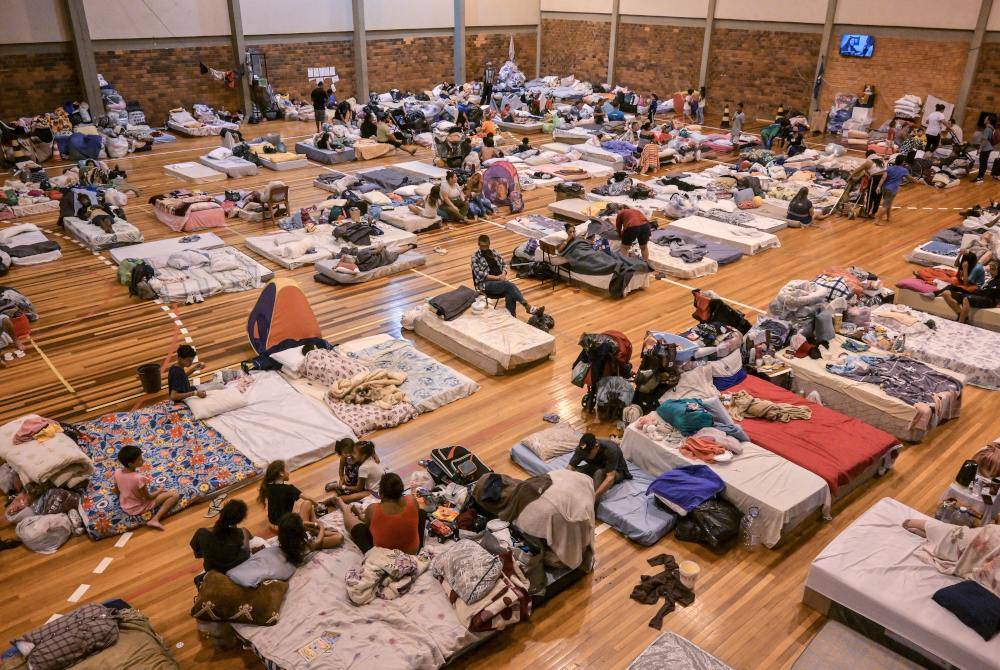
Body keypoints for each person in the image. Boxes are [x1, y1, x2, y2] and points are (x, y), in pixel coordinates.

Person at [333, 473, 426, 554]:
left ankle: (344, 508)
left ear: (380, 494)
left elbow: (366, 525)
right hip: (413, 553)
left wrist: (357, 513)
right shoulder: (412, 499)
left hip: (385, 559)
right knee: (421, 513)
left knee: (359, 528)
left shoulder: (373, 509)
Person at [114, 445, 180, 531]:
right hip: (138, 507)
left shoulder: (117, 472)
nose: (143, 460)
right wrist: (159, 491)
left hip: (124, 504)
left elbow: (117, 490)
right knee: (174, 495)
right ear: (130, 464)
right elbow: (149, 497)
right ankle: (155, 519)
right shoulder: (139, 478)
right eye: (139, 460)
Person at [257, 460, 334, 532]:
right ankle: (316, 526)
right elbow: (307, 498)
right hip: (286, 526)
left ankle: (314, 523)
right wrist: (318, 505)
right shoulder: (289, 489)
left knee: (299, 511)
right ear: (281, 473)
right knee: (307, 503)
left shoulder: (267, 487)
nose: (289, 472)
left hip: (273, 524)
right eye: (287, 470)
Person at [471, 234, 535, 317]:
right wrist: (498, 278)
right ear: (478, 245)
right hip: (484, 284)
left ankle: (511, 316)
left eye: (486, 246)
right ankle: (526, 305)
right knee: (509, 286)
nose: (484, 248)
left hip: (500, 282)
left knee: (509, 291)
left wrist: (503, 274)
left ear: (489, 244)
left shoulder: (494, 252)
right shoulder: (475, 257)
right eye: (482, 246)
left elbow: (504, 264)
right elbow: (480, 275)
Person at [190, 499, 252, 584]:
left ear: (221, 512)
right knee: (246, 532)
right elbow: (246, 551)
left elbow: (197, 555)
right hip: (238, 566)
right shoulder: (240, 533)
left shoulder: (201, 534)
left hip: (213, 571)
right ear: (239, 520)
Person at [567, 433, 630, 502]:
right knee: (575, 473)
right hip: (597, 466)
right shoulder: (581, 449)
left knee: (599, 474)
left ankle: (593, 508)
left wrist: (593, 497)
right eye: (584, 454)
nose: (585, 456)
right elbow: (569, 468)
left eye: (588, 454)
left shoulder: (610, 449)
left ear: (596, 447)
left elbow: (610, 478)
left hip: (617, 471)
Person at [942, 259, 1000, 323]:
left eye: (993, 270)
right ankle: (961, 315)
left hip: (989, 300)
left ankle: (961, 322)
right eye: (991, 269)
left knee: (966, 299)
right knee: (946, 293)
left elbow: (988, 292)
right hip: (977, 294)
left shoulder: (998, 281)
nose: (991, 272)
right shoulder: (991, 278)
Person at [277, 510, 343, 566]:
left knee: (307, 503)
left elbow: (303, 523)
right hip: (314, 539)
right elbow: (319, 540)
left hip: (307, 533)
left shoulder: (285, 537)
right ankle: (318, 530)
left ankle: (316, 528)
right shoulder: (304, 546)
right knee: (339, 537)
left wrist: (315, 524)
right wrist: (321, 527)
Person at [879, 154, 910, 224]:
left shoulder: (889, 168)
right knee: (885, 205)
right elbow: (911, 179)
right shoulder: (904, 170)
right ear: (903, 162)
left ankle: (888, 217)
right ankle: (877, 220)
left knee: (888, 203)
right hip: (892, 190)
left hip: (884, 188)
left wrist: (878, 186)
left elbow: (883, 178)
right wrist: (918, 181)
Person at [974, 115, 998, 183]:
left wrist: (980, 149)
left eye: (986, 118)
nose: (984, 119)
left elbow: (984, 140)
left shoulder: (987, 129)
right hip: (989, 148)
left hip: (986, 148)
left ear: (989, 120)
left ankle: (979, 177)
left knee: (982, 163)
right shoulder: (991, 128)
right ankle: (980, 177)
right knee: (984, 163)